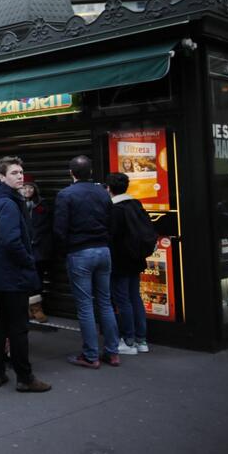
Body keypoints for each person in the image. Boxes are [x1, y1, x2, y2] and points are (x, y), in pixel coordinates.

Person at [0, 156, 52, 393]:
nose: (20, 176)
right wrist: (28, 262)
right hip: (12, 276)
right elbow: (11, 241)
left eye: (21, 172)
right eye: (14, 173)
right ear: (1, 177)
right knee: (18, 328)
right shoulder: (9, 204)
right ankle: (24, 377)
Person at [54, 155, 121, 368]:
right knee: (105, 302)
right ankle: (112, 352)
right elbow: (112, 222)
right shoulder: (103, 192)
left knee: (85, 305)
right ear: (90, 172)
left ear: (71, 173)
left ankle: (91, 355)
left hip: (80, 252)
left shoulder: (66, 195)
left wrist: (63, 250)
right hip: (103, 250)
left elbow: (59, 228)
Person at [106, 172, 154, 355]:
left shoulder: (115, 209)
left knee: (122, 300)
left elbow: (112, 236)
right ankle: (142, 340)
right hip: (136, 259)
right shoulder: (136, 204)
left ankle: (128, 340)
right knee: (135, 297)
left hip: (120, 261)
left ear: (109, 189)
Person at [21, 178, 54, 323]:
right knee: (24, 279)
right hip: (23, 249)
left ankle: (37, 308)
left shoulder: (42, 204)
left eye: (30, 188)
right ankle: (25, 308)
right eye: (24, 188)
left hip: (39, 249)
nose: (27, 191)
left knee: (38, 279)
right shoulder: (16, 204)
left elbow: (47, 225)